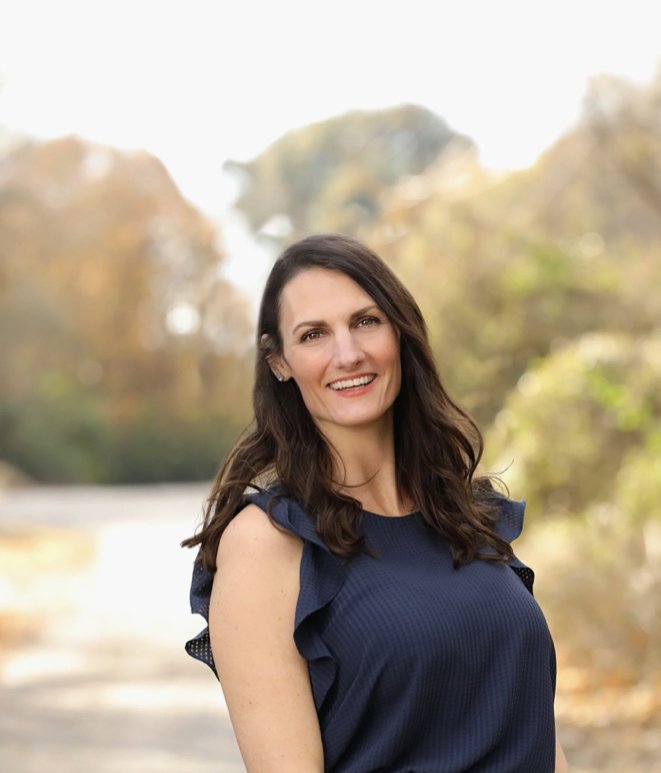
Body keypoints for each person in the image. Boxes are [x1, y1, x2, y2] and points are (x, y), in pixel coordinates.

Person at [183, 233, 569, 772]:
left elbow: (539, 739)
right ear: (279, 362)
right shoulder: (267, 545)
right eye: (314, 334)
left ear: (399, 331)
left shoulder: (466, 515)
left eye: (366, 321)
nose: (348, 354)